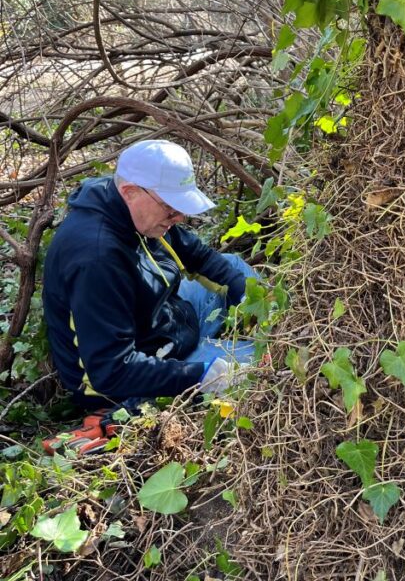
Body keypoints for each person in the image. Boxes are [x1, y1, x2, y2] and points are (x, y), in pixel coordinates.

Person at [43, 139, 258, 411]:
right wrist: (203, 375)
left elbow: (199, 257)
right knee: (261, 366)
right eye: (171, 207)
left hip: (164, 326)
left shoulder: (133, 210)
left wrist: (258, 307)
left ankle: (271, 327)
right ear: (130, 191)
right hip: (122, 383)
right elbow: (111, 372)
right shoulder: (97, 259)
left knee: (232, 267)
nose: (178, 216)